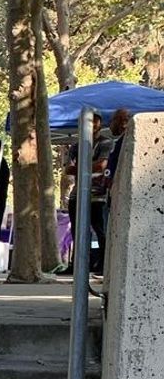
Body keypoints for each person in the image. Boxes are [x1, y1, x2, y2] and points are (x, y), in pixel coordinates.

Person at [65, 113, 114, 275]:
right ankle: (77, 264)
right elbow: (68, 169)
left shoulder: (106, 143)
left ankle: (102, 265)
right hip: (77, 194)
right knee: (77, 232)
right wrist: (88, 166)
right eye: (88, 122)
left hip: (98, 194)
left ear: (100, 125)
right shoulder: (75, 146)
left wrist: (81, 165)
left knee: (101, 231)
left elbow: (102, 165)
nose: (91, 126)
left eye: (95, 123)